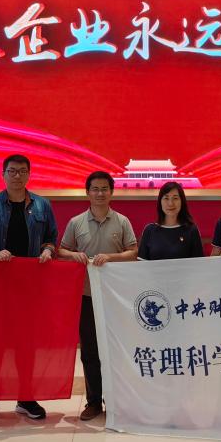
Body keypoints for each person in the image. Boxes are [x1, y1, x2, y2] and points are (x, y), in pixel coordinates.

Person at [0, 154, 58, 424]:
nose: (17, 176)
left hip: (29, 287)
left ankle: (26, 397)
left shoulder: (42, 205)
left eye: (22, 171)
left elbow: (51, 239)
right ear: (3, 174)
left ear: (29, 174)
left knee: (26, 344)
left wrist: (47, 251)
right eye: (12, 171)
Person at [58, 171, 138, 421]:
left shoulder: (122, 221)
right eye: (95, 188)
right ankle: (93, 402)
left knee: (116, 350)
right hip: (86, 295)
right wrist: (74, 255)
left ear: (111, 192)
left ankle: (115, 401)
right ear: (88, 192)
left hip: (115, 297)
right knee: (90, 350)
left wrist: (110, 257)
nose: (100, 193)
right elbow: (62, 250)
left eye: (105, 188)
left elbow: (133, 252)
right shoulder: (76, 222)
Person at [137, 182, 205, 260]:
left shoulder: (191, 230)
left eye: (175, 198)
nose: (170, 203)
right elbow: (142, 264)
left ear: (182, 201)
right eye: (166, 198)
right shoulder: (149, 230)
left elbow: (198, 264)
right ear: (160, 202)